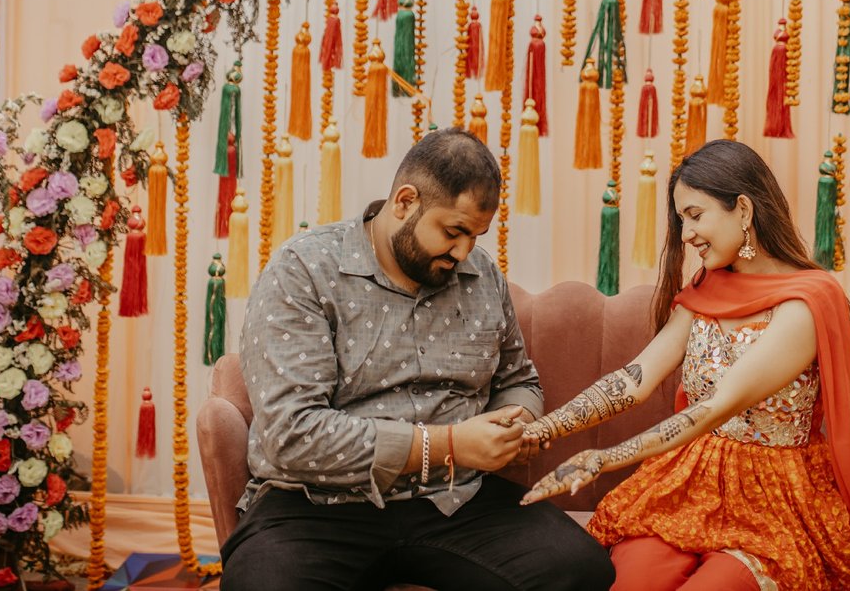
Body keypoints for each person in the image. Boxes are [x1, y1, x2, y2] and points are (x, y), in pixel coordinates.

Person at [224, 128, 614, 591]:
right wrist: (448, 444)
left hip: (455, 500)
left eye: (476, 235)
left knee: (581, 569)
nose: (464, 252)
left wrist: (518, 420)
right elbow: (293, 434)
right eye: (454, 231)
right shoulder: (304, 271)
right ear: (405, 202)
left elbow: (519, 378)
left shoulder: (481, 274)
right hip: (316, 503)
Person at [520, 139, 850, 591]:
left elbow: (719, 404)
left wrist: (604, 458)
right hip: (689, 481)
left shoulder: (807, 302)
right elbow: (636, 378)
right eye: (681, 218)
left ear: (743, 210)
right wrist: (543, 429)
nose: (685, 234)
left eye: (695, 214)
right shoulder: (708, 287)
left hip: (772, 499)